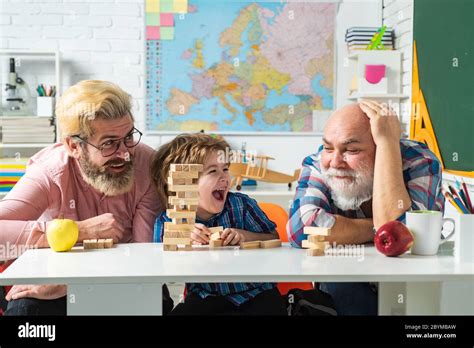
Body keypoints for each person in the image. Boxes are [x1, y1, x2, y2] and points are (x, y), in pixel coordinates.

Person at [0, 80, 162, 315]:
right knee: (26, 311)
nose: (126, 153)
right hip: (56, 279)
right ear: (73, 146)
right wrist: (77, 231)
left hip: (124, 279)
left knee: (156, 303)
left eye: (129, 137)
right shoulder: (50, 172)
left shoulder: (146, 164)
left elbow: (145, 259)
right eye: (109, 144)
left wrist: (71, 283)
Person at [287, 100, 444, 315]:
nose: (334, 162)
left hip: (409, 284)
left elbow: (401, 238)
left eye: (351, 150)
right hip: (345, 284)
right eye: (328, 147)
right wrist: (377, 231)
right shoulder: (317, 163)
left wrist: (388, 145)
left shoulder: (419, 161)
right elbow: (303, 229)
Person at [151, 133, 287, 315]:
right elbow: (159, 261)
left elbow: (273, 238)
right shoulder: (169, 220)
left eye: (225, 169)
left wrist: (244, 236)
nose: (224, 177)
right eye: (213, 171)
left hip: (255, 293)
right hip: (206, 297)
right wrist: (183, 237)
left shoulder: (242, 205)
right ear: (185, 183)